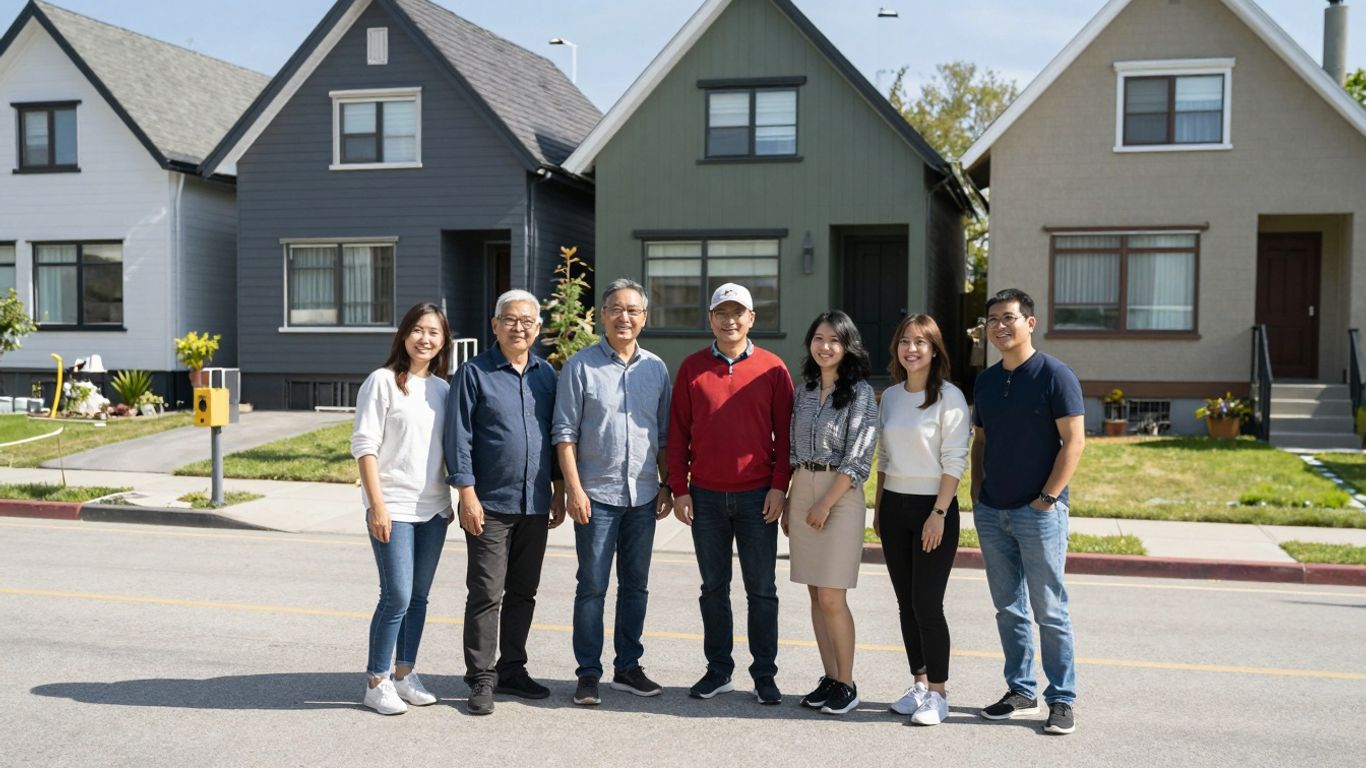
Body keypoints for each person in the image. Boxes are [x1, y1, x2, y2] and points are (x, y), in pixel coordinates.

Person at [669, 282, 794, 705]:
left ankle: (764, 675)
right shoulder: (691, 368)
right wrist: (679, 489)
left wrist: (780, 486)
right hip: (704, 497)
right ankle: (719, 670)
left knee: (761, 590)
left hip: (757, 496)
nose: (730, 320)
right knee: (713, 589)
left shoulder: (774, 369)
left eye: (738, 312)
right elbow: (677, 433)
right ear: (710, 319)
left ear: (752, 319)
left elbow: (786, 437)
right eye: (721, 313)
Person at [552, 278, 673, 706]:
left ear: (644, 318)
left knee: (636, 585)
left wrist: (668, 484)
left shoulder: (656, 368)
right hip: (596, 495)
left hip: (642, 494)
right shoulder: (580, 366)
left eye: (634, 311)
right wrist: (573, 489)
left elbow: (662, 434)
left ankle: (627, 666)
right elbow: (564, 433)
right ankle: (588, 673)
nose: (625, 317)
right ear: (603, 315)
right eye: (617, 309)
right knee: (593, 585)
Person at [446, 289, 566, 716]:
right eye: (510, 320)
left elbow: (555, 434)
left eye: (528, 321)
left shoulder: (546, 375)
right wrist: (466, 494)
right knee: (485, 593)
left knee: (523, 592)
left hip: (534, 502)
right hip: (489, 503)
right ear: (495, 325)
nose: (519, 327)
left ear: (538, 328)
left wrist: (558, 488)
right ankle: (480, 677)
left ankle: (512, 668)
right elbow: (457, 438)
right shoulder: (473, 373)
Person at [971, 288, 1085, 735]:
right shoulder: (986, 380)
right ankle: (1021, 691)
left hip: (1039, 512)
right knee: (1008, 608)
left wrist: (1049, 498)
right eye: (993, 319)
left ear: (1030, 323)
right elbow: (981, 441)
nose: (1000, 326)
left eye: (1009, 317)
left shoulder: (1055, 375)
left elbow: (1074, 442)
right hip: (993, 511)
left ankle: (1061, 699)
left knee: (1049, 609)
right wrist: (978, 492)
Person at [352, 302, 454, 715]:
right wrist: (376, 505)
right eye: (417, 329)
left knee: (419, 597)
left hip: (433, 509)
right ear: (403, 335)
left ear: (443, 341)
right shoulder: (381, 382)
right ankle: (376, 681)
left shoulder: (444, 390)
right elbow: (364, 445)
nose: (424, 338)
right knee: (396, 594)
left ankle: (404, 673)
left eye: (433, 332)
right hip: (392, 505)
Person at [875, 313, 969, 726]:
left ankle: (939, 693)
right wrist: (877, 508)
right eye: (904, 341)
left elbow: (955, 461)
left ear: (934, 349)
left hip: (934, 507)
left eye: (921, 342)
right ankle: (919, 685)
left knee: (927, 605)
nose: (911, 349)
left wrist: (939, 513)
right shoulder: (892, 397)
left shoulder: (950, 397)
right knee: (905, 605)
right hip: (895, 507)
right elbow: (884, 457)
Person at [783, 311, 878, 715]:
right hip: (802, 485)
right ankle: (829, 677)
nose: (825, 346)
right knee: (813, 593)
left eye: (834, 340)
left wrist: (824, 503)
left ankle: (848, 683)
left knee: (832, 596)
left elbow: (858, 459)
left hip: (840, 495)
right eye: (818, 338)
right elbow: (791, 448)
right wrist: (791, 499)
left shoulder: (861, 393)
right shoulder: (803, 390)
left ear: (847, 346)